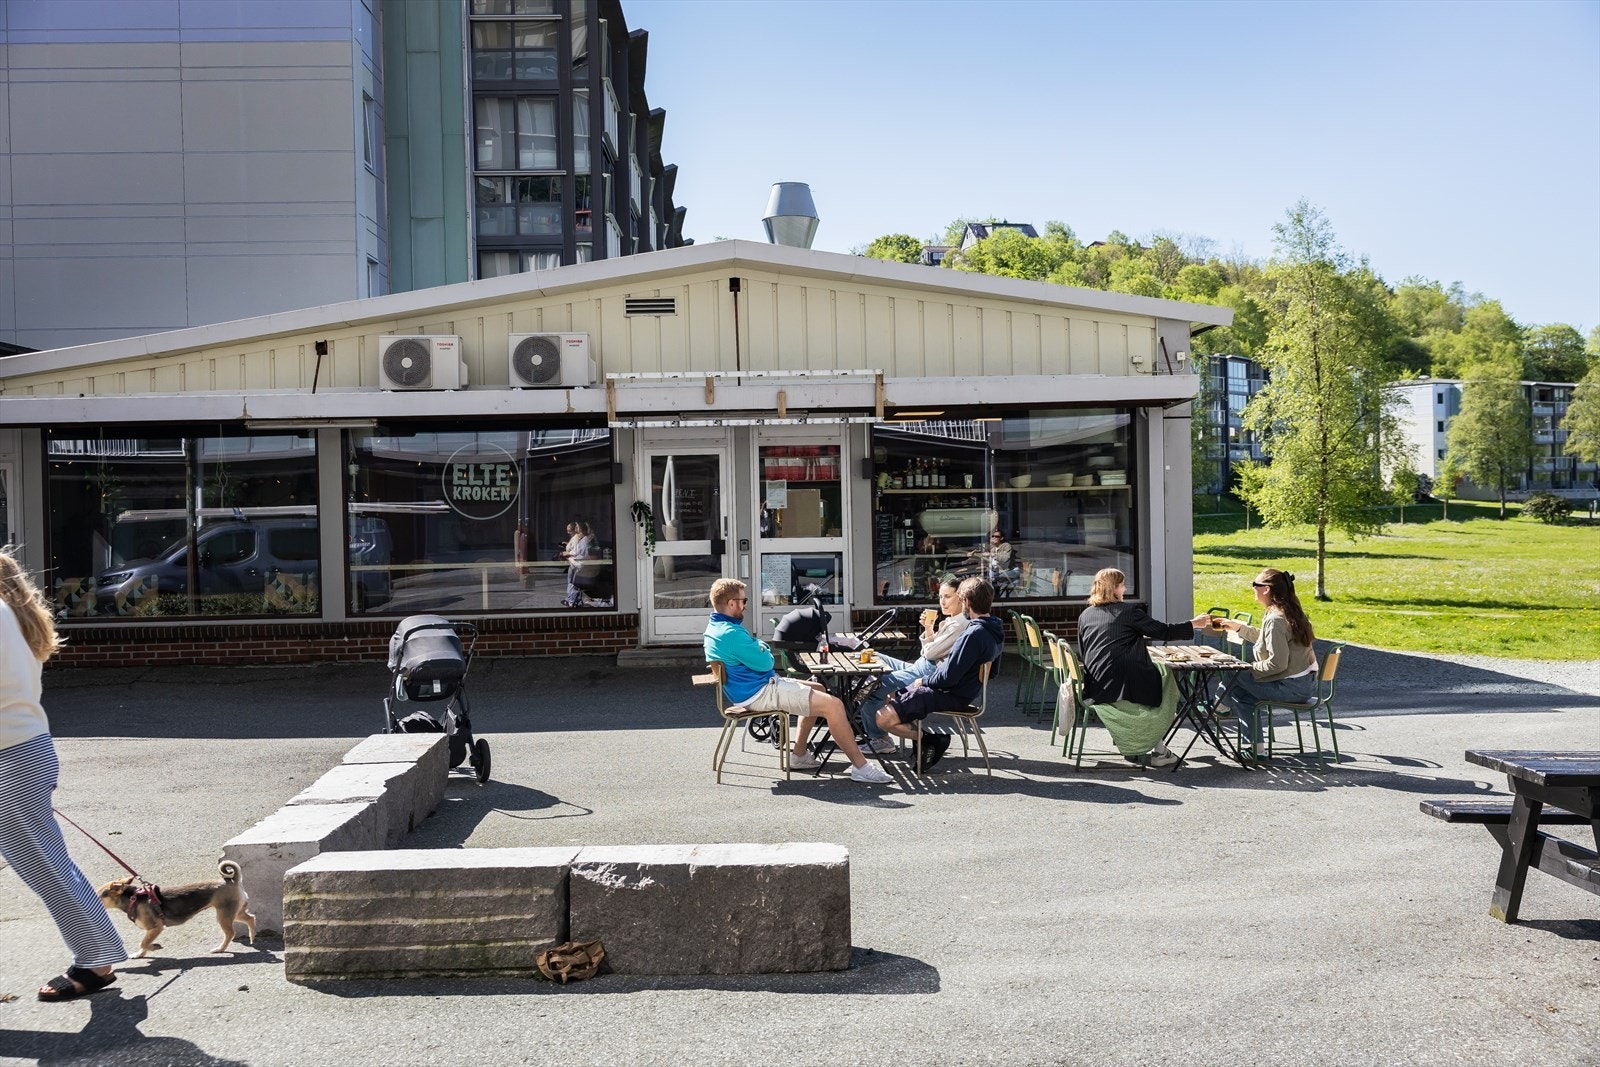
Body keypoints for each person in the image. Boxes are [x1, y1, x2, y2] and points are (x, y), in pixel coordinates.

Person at [0, 546, 129, 1001]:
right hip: (23, 749)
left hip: (11, 754)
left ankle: (96, 958)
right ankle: (96, 954)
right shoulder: (14, 616)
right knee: (44, 861)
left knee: (43, 863)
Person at [703, 579, 894, 785]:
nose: (745, 606)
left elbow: (758, 658)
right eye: (744, 601)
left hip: (749, 690)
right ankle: (861, 767)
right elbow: (766, 662)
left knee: (819, 688)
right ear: (732, 603)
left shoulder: (715, 628)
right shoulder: (731, 633)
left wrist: (757, 646)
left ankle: (799, 755)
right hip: (759, 692)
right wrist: (761, 645)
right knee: (834, 705)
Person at [1076, 567, 1214, 768]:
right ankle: (1163, 733)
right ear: (1114, 588)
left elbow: (1084, 650)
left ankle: (1155, 741)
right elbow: (1164, 631)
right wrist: (1194, 624)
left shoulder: (1086, 615)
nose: (1125, 588)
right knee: (1166, 676)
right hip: (1121, 683)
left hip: (1096, 683)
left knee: (1157, 672)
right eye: (1122, 585)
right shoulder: (1128, 612)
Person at [876, 577, 1004, 772]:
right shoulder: (995, 628)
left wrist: (923, 681)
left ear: (967, 602)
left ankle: (931, 740)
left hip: (951, 694)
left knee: (882, 718)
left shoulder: (972, 634)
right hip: (962, 693)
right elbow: (992, 672)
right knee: (893, 696)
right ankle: (924, 744)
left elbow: (947, 678)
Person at [855, 575, 972, 754]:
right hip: (922, 666)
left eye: (948, 597)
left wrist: (930, 641)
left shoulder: (959, 624)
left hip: (929, 671)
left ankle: (880, 739)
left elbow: (929, 653)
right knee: (875, 657)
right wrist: (929, 629)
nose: (942, 602)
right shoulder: (951, 620)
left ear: (961, 598)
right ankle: (863, 721)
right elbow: (928, 652)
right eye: (940, 597)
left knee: (869, 687)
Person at [1211, 568, 1318, 758]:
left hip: (1291, 687)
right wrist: (1239, 628)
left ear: (1266, 589)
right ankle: (1255, 750)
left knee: (1232, 671)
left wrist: (1247, 668)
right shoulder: (1288, 612)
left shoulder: (1276, 619)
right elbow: (1269, 639)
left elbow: (1277, 664)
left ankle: (1219, 706)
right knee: (1243, 695)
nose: (1253, 588)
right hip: (1303, 685)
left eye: (1255, 584)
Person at [562, 520, 593, 608]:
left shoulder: (583, 540)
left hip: (578, 564)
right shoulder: (579, 539)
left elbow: (579, 553)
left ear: (581, 528)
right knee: (573, 583)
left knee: (574, 584)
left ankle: (572, 601)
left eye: (577, 527)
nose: (576, 528)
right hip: (575, 563)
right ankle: (572, 600)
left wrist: (568, 554)